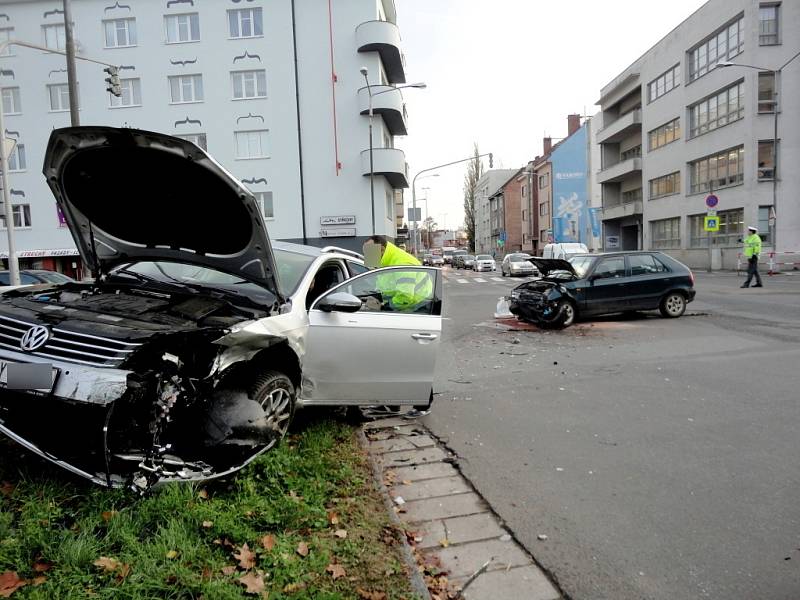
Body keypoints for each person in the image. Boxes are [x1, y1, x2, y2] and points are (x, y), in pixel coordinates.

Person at [361, 235, 432, 312]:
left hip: (417, 308)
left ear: (382, 249)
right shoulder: (385, 262)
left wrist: (383, 307)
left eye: (369, 253)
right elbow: (385, 288)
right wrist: (376, 298)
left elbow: (405, 297)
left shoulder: (402, 263)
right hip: (405, 307)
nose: (367, 257)